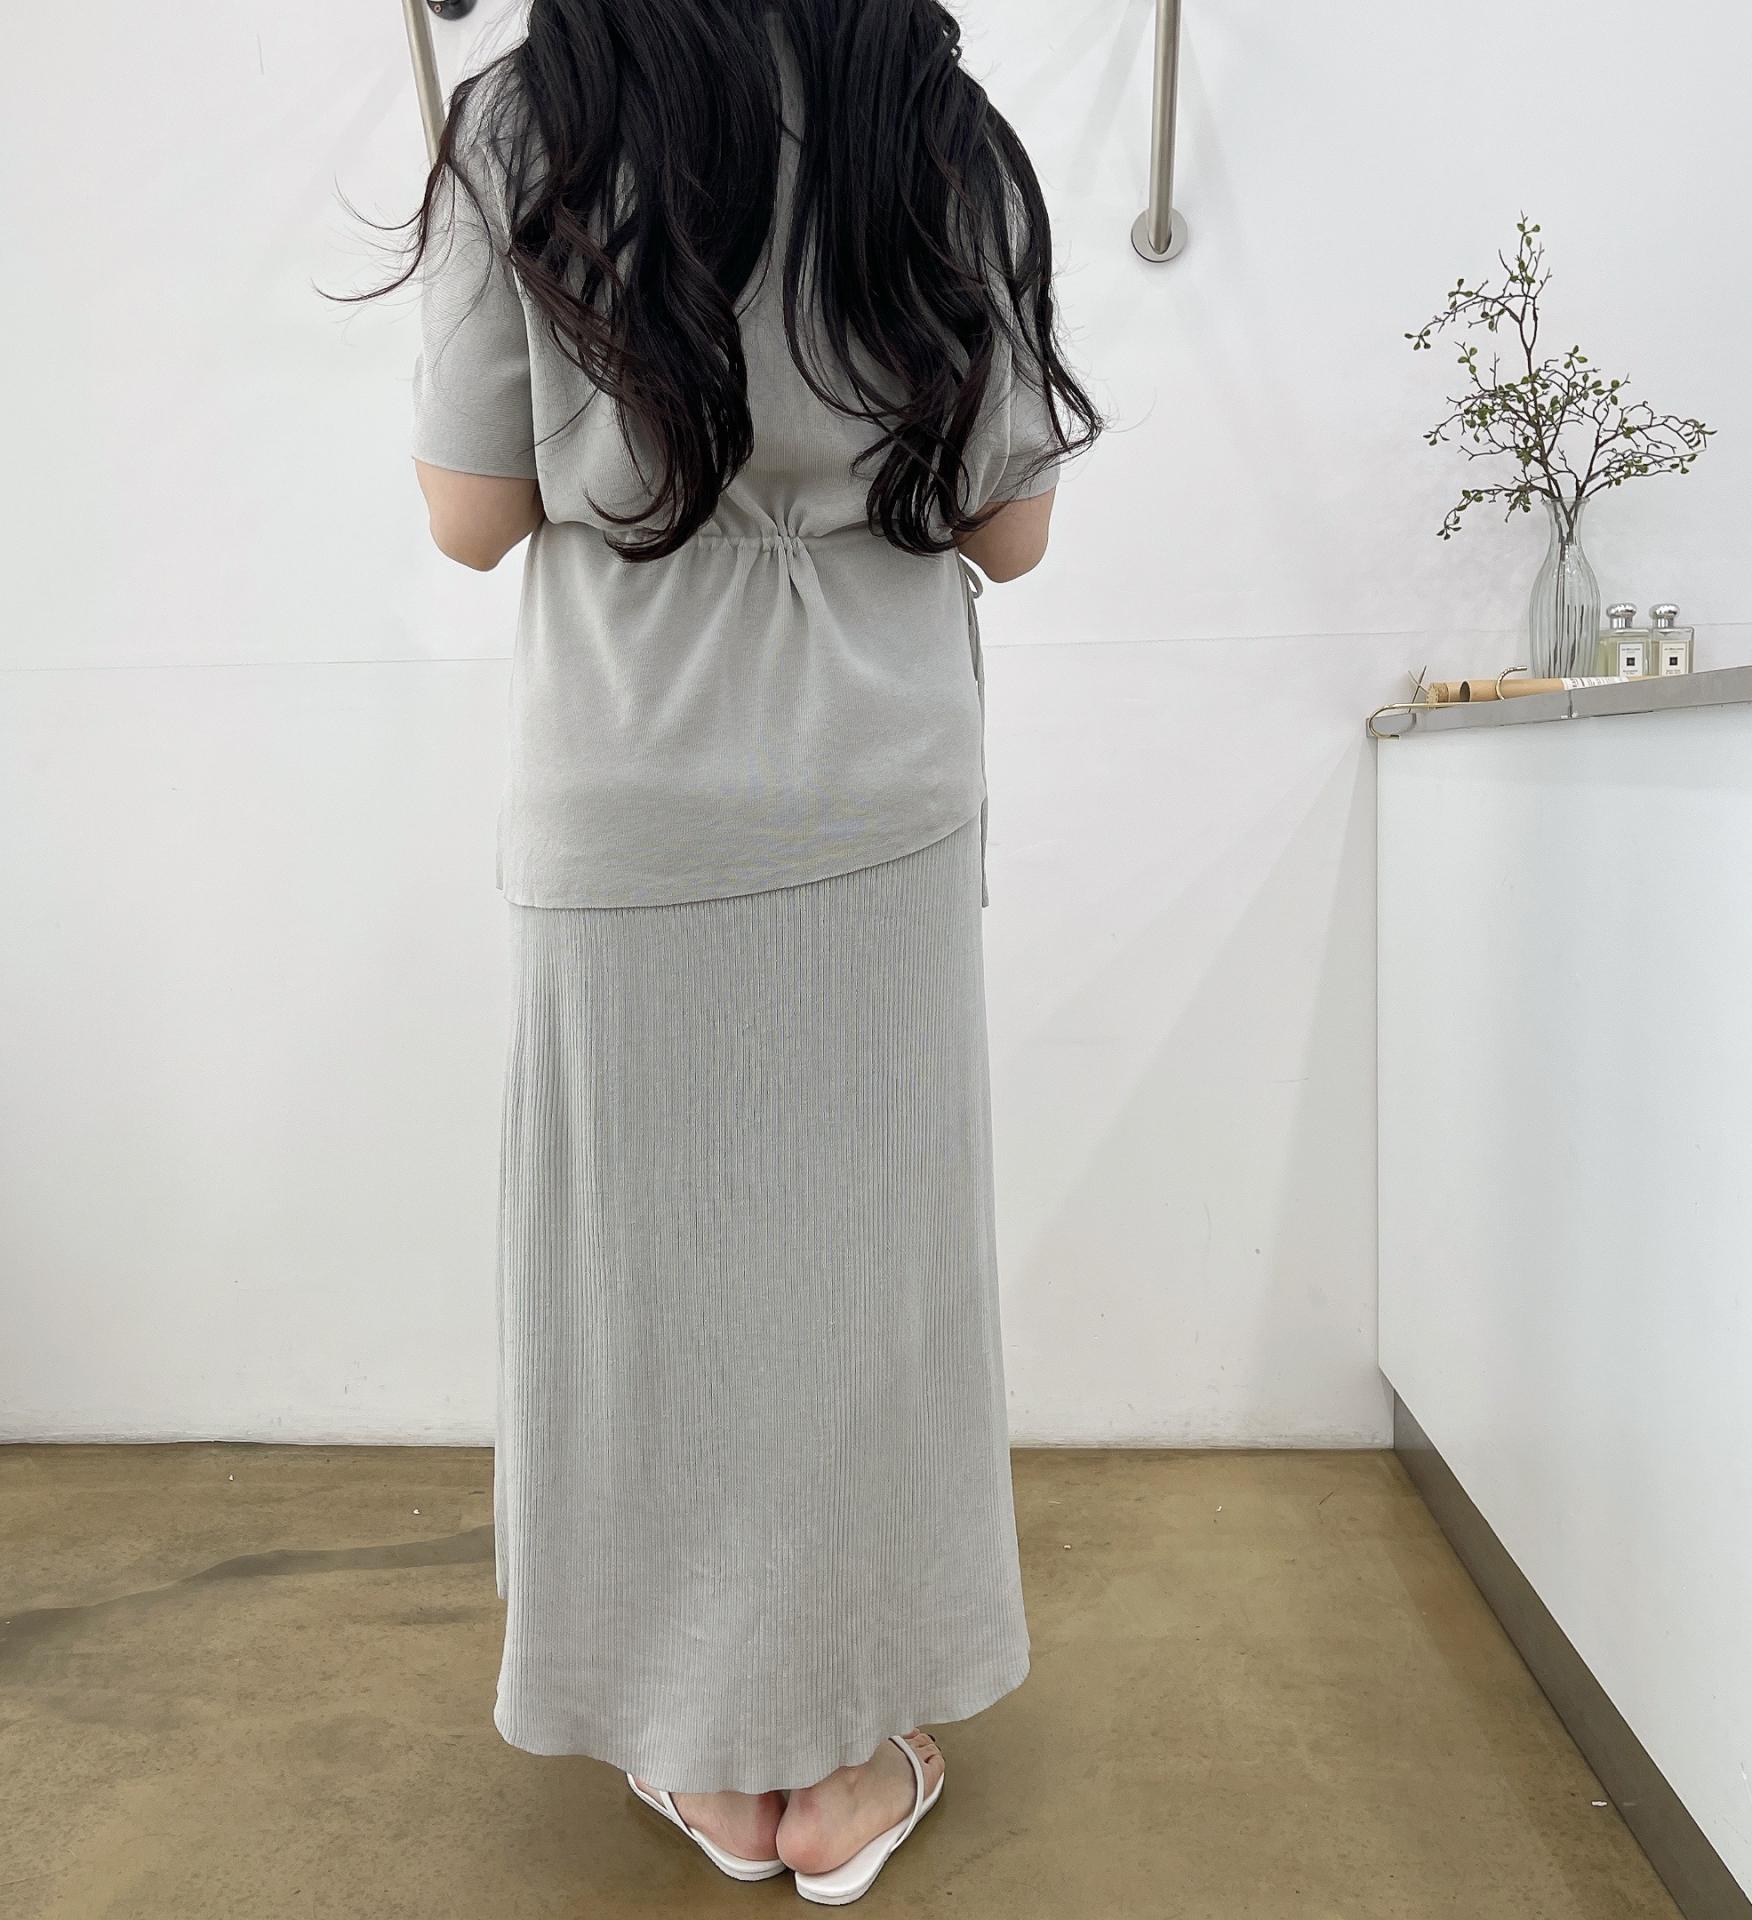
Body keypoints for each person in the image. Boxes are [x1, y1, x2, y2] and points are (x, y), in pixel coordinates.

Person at [371, 0, 1100, 1900]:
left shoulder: (528, 120)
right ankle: (844, 1765)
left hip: (629, 791)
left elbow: (470, 518)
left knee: (644, 1290)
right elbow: (1011, 531)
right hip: (876, 791)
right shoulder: (927, 117)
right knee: (870, 1285)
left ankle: (705, 1751)